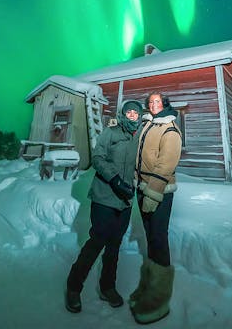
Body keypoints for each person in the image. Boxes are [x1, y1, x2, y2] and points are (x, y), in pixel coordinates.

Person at [65, 100, 143, 313]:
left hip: (125, 201)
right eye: (129, 111)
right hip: (104, 197)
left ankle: (107, 286)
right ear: (123, 114)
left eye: (136, 112)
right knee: (96, 242)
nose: (132, 114)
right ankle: (73, 287)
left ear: (140, 115)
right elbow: (98, 158)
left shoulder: (140, 136)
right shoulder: (111, 132)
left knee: (114, 245)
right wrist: (116, 179)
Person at [130, 92, 182, 324]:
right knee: (151, 238)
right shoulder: (148, 125)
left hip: (158, 191)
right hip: (143, 187)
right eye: (150, 102)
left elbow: (165, 165)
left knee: (159, 238)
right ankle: (148, 286)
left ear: (165, 105)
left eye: (157, 102)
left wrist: (154, 192)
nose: (153, 105)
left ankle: (159, 298)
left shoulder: (170, 130)